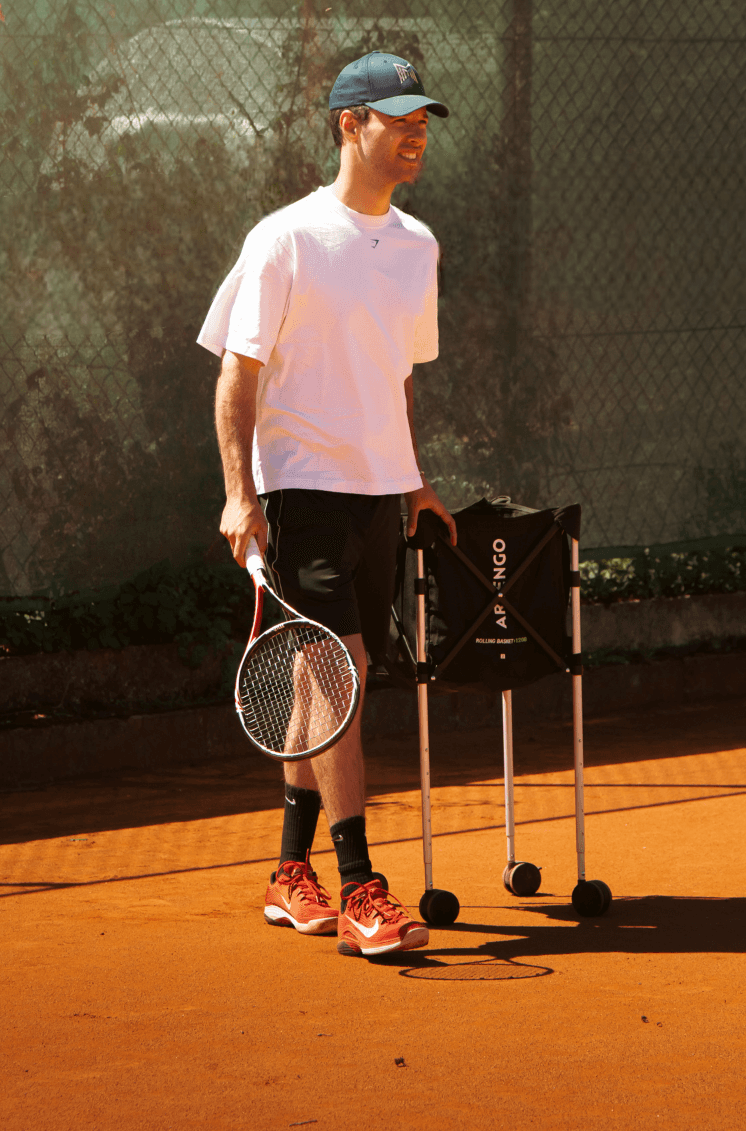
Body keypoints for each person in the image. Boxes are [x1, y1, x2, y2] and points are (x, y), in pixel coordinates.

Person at [197, 51, 457, 958]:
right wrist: (240, 495)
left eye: (424, 118)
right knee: (338, 674)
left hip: (380, 496)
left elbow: (401, 378)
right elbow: (238, 375)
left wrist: (414, 477)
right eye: (399, 118)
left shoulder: (418, 246)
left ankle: (288, 871)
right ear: (352, 125)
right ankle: (360, 890)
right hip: (300, 489)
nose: (417, 131)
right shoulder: (287, 238)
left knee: (327, 682)